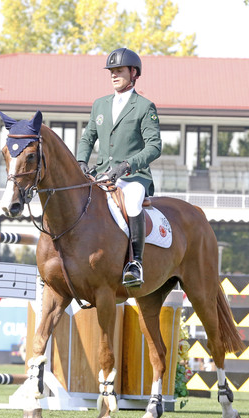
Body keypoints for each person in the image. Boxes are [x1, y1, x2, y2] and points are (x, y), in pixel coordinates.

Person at [76, 47, 162, 288]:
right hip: (102, 173)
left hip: (133, 176)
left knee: (133, 201)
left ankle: (135, 263)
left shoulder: (145, 107)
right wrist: (81, 161)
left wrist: (127, 166)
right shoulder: (100, 105)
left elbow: (154, 146)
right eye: (111, 71)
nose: (114, 75)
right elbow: (87, 138)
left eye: (119, 71)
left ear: (134, 73)